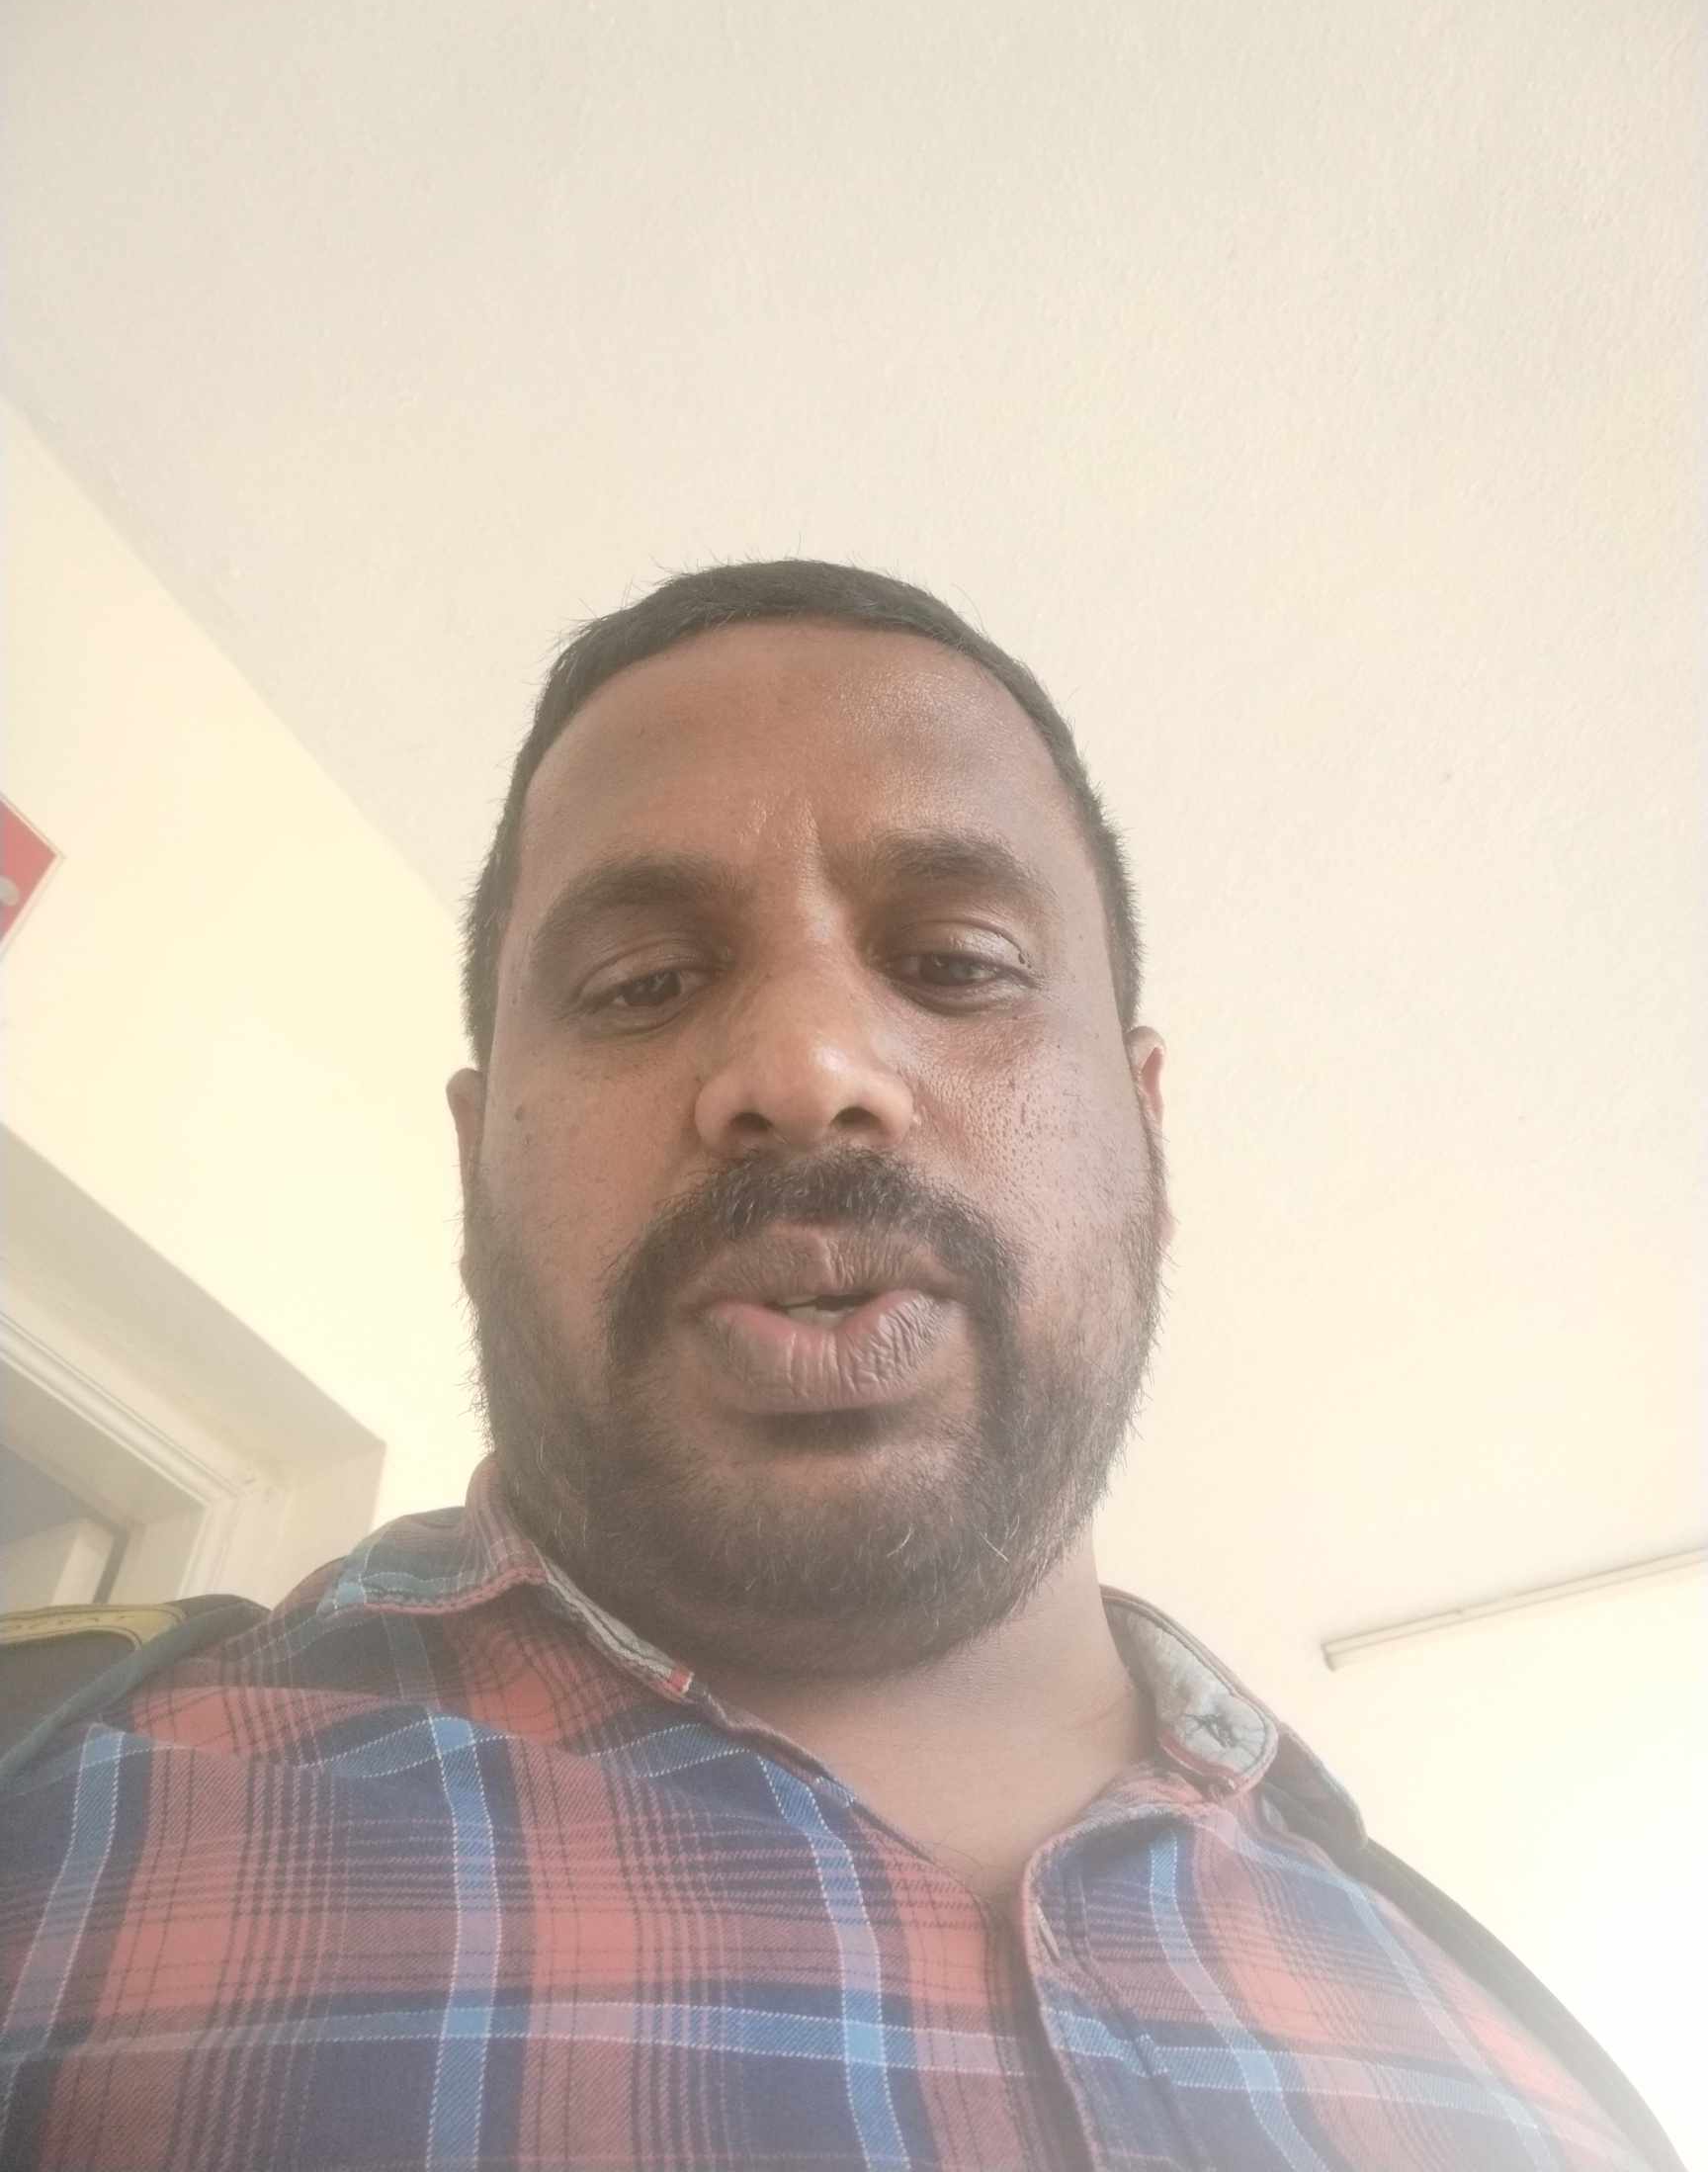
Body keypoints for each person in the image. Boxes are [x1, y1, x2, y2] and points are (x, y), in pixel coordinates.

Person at [0, 562, 1681, 2171]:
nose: (805, 1068)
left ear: (1148, 1130)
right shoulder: (44, 1824)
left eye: (959, 966)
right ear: (472, 1165)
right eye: (643, 983)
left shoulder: (1540, 2063)